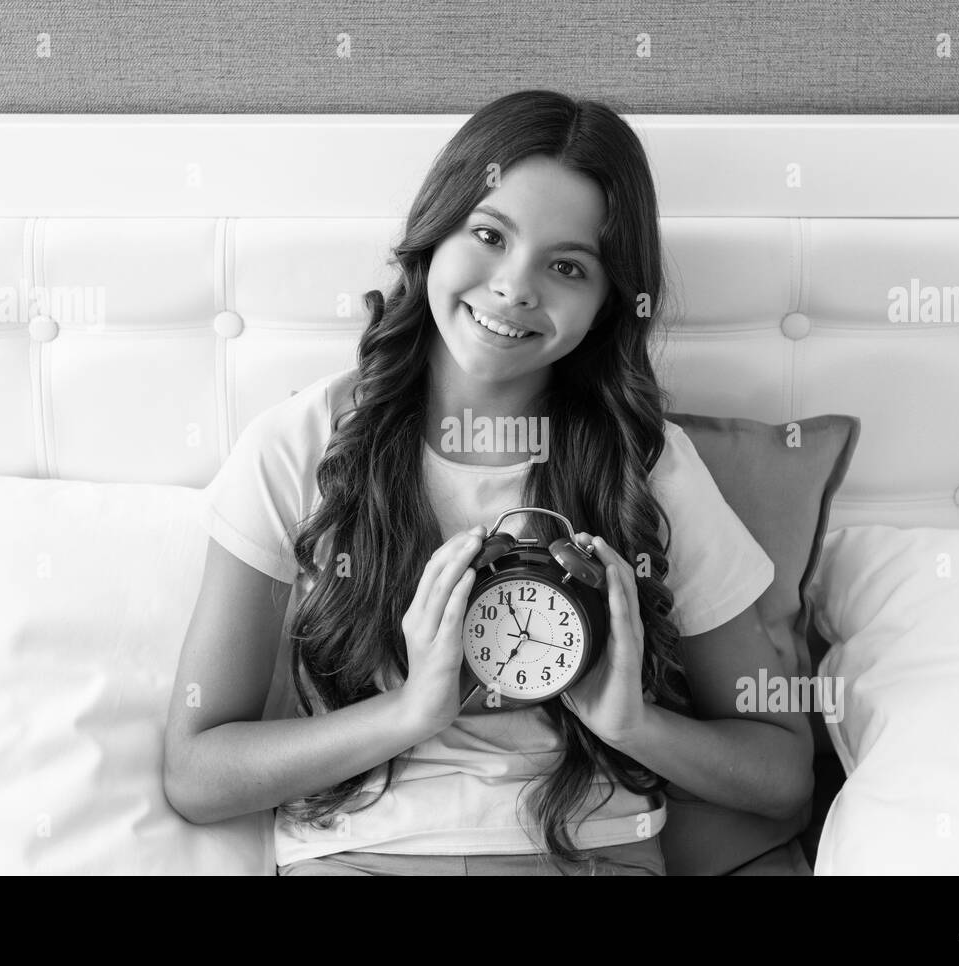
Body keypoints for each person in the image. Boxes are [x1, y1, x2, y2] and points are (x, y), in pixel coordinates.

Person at [163, 89, 813, 876]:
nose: (514, 287)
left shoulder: (646, 464)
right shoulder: (298, 446)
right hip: (366, 856)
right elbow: (197, 772)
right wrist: (407, 714)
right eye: (489, 235)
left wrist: (632, 723)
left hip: (590, 855)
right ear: (435, 232)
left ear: (610, 302)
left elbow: (782, 776)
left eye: (567, 266)